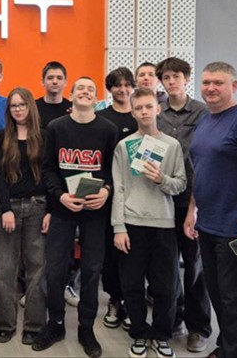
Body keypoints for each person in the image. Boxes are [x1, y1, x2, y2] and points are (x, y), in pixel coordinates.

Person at [184, 62, 237, 358]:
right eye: (206, 82)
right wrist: (192, 210)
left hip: (236, 228)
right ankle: (225, 349)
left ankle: (233, 354)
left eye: (218, 83)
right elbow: (200, 169)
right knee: (218, 295)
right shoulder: (205, 121)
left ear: (234, 86)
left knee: (233, 299)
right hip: (208, 224)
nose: (210, 88)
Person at [33, 77, 118, 358]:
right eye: (80, 88)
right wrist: (60, 197)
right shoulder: (57, 128)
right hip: (63, 210)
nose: (85, 92)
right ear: (71, 95)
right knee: (55, 270)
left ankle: (86, 328)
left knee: (92, 272)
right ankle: (55, 324)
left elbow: (113, 171)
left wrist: (106, 191)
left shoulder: (108, 129)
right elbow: (48, 169)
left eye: (90, 89)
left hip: (95, 211)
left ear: (96, 97)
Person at [111, 87, 187, 358]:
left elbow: (180, 184)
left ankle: (162, 335)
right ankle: (140, 333)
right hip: (132, 223)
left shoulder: (172, 145)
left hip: (163, 224)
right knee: (132, 285)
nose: (144, 112)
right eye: (138, 108)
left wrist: (161, 179)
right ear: (132, 112)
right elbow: (119, 189)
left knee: (165, 286)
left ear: (158, 109)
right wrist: (119, 227)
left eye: (148, 106)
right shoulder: (124, 146)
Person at [155, 57, 211, 353]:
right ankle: (172, 319)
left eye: (176, 76)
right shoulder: (157, 113)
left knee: (195, 266)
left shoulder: (203, 112)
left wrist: (195, 206)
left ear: (186, 79)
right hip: (163, 198)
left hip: (194, 199)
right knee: (167, 267)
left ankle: (198, 327)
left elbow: (206, 159)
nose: (171, 82)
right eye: (166, 77)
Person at [0, 88, 50, 346]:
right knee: (5, 269)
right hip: (9, 210)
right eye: (13, 106)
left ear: (30, 107)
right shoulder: (2, 137)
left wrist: (50, 211)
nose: (18, 109)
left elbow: (50, 174)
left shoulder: (44, 136)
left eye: (22, 105)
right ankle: (4, 323)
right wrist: (5, 208)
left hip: (38, 207)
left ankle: (34, 325)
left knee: (37, 269)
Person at [96, 67, 138, 329]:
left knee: (135, 251)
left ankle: (133, 302)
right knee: (110, 252)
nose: (122, 90)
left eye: (127, 85)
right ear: (110, 89)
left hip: (138, 192)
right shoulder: (102, 118)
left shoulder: (140, 115)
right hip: (109, 192)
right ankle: (114, 299)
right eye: (117, 85)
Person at [35, 61, 72, 128]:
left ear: (65, 82)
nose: (55, 81)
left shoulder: (72, 109)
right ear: (42, 82)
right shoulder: (33, 107)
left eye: (59, 78)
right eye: (50, 78)